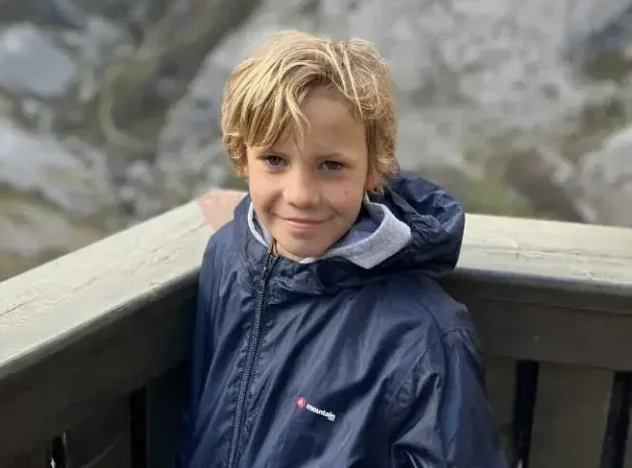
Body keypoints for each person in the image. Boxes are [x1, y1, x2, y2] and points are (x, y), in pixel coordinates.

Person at [176, 29, 507, 468]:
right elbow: (197, 415)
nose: (301, 195)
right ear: (242, 158)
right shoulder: (228, 257)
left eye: (331, 166)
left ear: (375, 170)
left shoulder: (426, 337)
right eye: (275, 160)